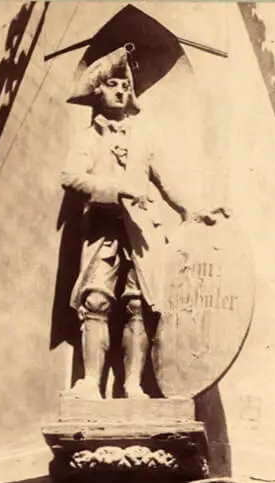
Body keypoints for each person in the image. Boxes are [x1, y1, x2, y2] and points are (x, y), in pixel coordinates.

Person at [61, 44, 226, 398]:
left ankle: (133, 384)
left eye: (125, 85)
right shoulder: (88, 138)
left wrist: (191, 210)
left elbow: (167, 181)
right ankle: (91, 382)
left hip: (142, 232)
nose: (120, 91)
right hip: (103, 229)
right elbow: (71, 177)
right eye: (112, 85)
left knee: (138, 303)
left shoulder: (144, 138)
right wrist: (115, 189)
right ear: (97, 92)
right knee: (96, 301)